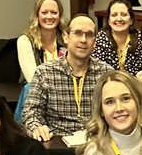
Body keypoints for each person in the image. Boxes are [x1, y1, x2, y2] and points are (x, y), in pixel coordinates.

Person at [21, 14, 114, 142]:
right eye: (78, 33)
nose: (83, 40)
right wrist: (37, 128)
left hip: (96, 142)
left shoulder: (106, 73)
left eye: (89, 35)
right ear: (66, 37)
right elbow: (31, 113)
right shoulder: (45, 72)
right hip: (56, 142)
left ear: (94, 42)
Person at [15, 0, 66, 84]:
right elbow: (32, 79)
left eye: (54, 12)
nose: (49, 17)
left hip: (64, 89)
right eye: (44, 13)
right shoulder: (25, 41)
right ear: (37, 16)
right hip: (35, 90)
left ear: (60, 16)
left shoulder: (67, 39)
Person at [93, 0, 142, 74]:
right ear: (108, 21)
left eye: (124, 14)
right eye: (114, 15)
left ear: (131, 20)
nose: (119, 19)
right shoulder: (100, 40)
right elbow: (97, 71)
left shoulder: (140, 38)